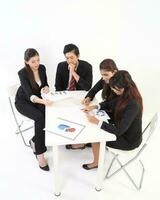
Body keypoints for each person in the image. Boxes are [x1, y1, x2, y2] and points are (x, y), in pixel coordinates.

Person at [82, 70, 143, 170]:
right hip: (125, 131)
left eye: (116, 89)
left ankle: (96, 163)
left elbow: (119, 130)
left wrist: (97, 121)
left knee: (96, 137)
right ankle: (91, 145)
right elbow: (110, 104)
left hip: (128, 141)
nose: (114, 91)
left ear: (125, 87)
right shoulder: (125, 94)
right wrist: (94, 107)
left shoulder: (133, 104)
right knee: (97, 127)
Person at [15, 48, 53, 171]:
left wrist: (46, 87)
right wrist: (44, 101)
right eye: (33, 61)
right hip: (23, 101)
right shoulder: (22, 73)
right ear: (26, 62)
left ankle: (34, 141)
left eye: (38, 60)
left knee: (48, 114)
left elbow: (45, 83)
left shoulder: (42, 68)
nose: (36, 64)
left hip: (38, 98)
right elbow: (29, 95)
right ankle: (40, 155)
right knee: (40, 117)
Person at [55, 43, 93, 150]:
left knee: (83, 113)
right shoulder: (61, 66)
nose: (69, 61)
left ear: (78, 56)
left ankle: (82, 139)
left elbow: (87, 87)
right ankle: (69, 138)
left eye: (72, 57)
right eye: (67, 58)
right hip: (66, 95)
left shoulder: (87, 67)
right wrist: (64, 97)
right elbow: (57, 86)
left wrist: (73, 72)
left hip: (80, 96)